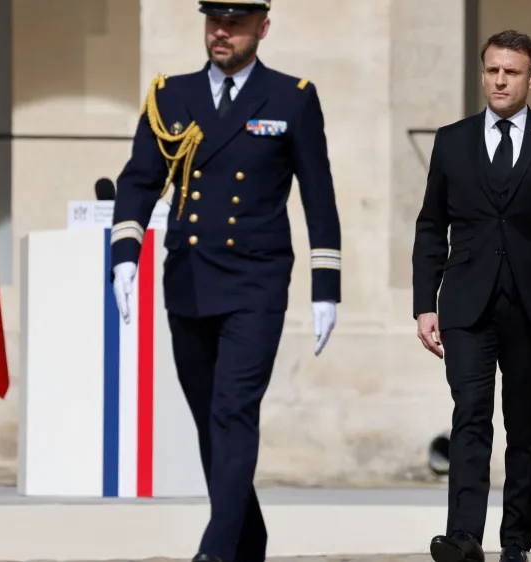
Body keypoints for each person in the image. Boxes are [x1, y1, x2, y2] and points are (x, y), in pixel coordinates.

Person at [108, 1, 342, 560]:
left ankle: (214, 550)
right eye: (214, 21)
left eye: (235, 24)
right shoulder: (171, 95)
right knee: (209, 418)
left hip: (255, 281)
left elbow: (319, 197)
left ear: (261, 28)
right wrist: (124, 253)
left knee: (234, 409)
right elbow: (140, 179)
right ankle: (249, 540)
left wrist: (325, 287)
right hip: (188, 277)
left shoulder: (292, 97)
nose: (222, 32)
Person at [412, 30, 531, 562]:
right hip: (466, 304)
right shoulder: (452, 140)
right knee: (470, 414)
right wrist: (424, 303)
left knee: (525, 424)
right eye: (492, 70)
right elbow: (431, 227)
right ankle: (464, 536)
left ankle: (515, 542)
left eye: (511, 72)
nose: (499, 80)